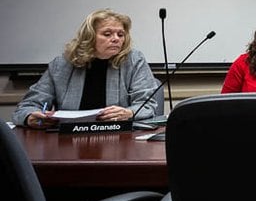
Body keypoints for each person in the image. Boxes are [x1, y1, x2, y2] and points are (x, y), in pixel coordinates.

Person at [14, 9, 161, 129]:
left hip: (119, 137)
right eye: (107, 34)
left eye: (120, 34)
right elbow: (28, 106)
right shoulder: (62, 65)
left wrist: (129, 113)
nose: (116, 39)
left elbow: (147, 105)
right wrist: (31, 116)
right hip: (68, 139)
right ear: (89, 37)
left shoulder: (133, 61)